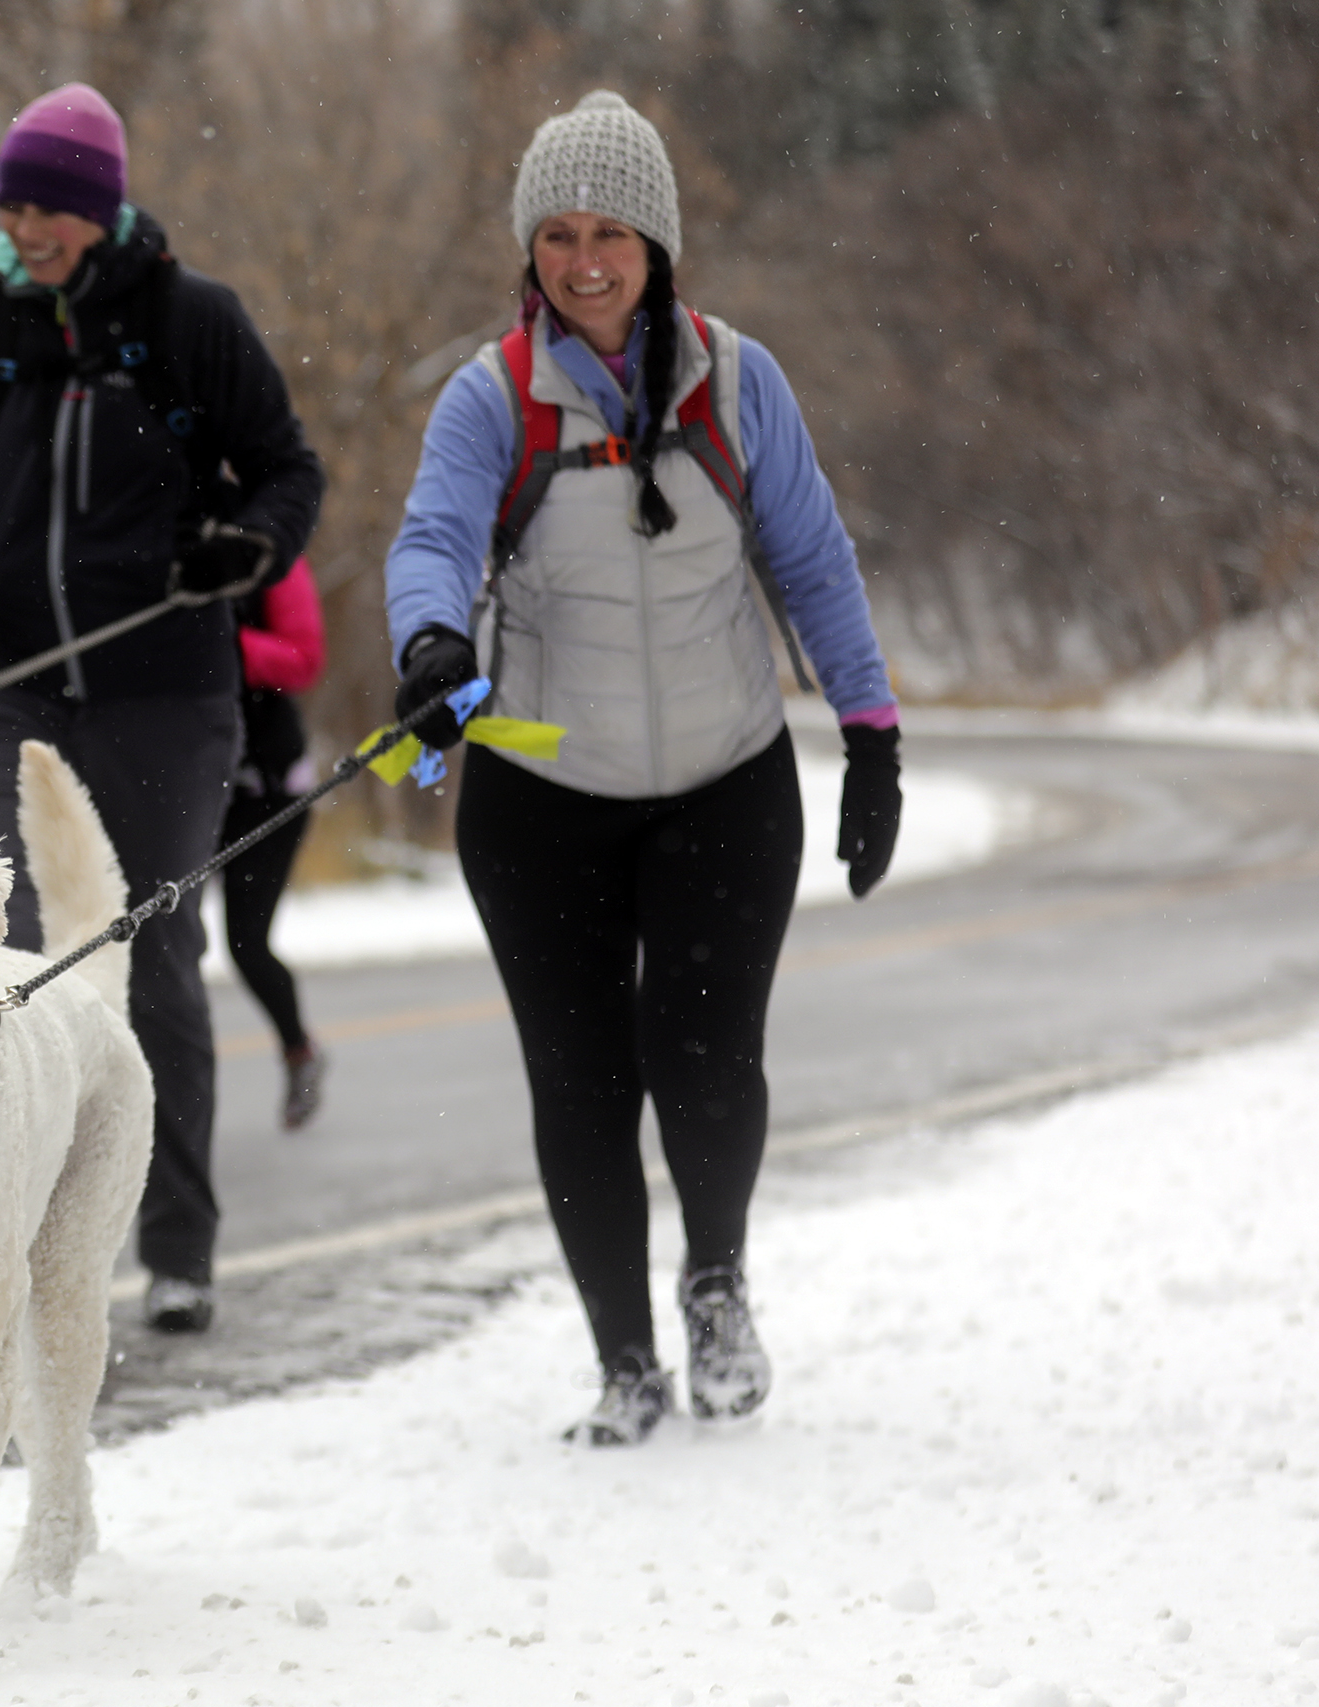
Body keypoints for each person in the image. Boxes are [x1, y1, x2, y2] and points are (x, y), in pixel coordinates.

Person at [382, 90, 902, 1445]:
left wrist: (871, 732)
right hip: (541, 797)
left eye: (610, 228)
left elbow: (814, 561)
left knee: (707, 1055)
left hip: (725, 779)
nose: (584, 258)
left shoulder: (740, 384)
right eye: (556, 233)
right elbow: (431, 535)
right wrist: (431, 643)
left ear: (657, 242)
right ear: (531, 250)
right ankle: (625, 1357)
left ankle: (717, 1281)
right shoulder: (492, 394)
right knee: (581, 1076)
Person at [0, 83, 326, 1335]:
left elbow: (290, 468)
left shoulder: (193, 324)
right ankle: (10, 1245)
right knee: (2, 942)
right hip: (10, 675)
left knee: (149, 953)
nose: (26, 228)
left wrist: (245, 547)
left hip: (165, 684)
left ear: (101, 209)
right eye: (11, 206)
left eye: (49, 209)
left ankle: (177, 1243)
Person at [222, 555, 328, 1130]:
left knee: (246, 943)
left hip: (268, 789)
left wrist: (219, 645)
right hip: (189, 784)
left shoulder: (269, 553)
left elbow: (303, 659)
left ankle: (299, 1051)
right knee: (163, 943)